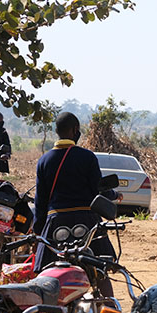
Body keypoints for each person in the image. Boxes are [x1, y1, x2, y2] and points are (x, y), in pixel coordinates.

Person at [33, 112, 120, 297]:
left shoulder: (44, 160)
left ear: (56, 131)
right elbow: (100, 189)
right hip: (87, 221)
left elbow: (40, 202)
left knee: (46, 274)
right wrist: (114, 195)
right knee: (101, 273)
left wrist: (39, 232)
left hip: (56, 223)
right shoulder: (87, 157)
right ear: (75, 130)